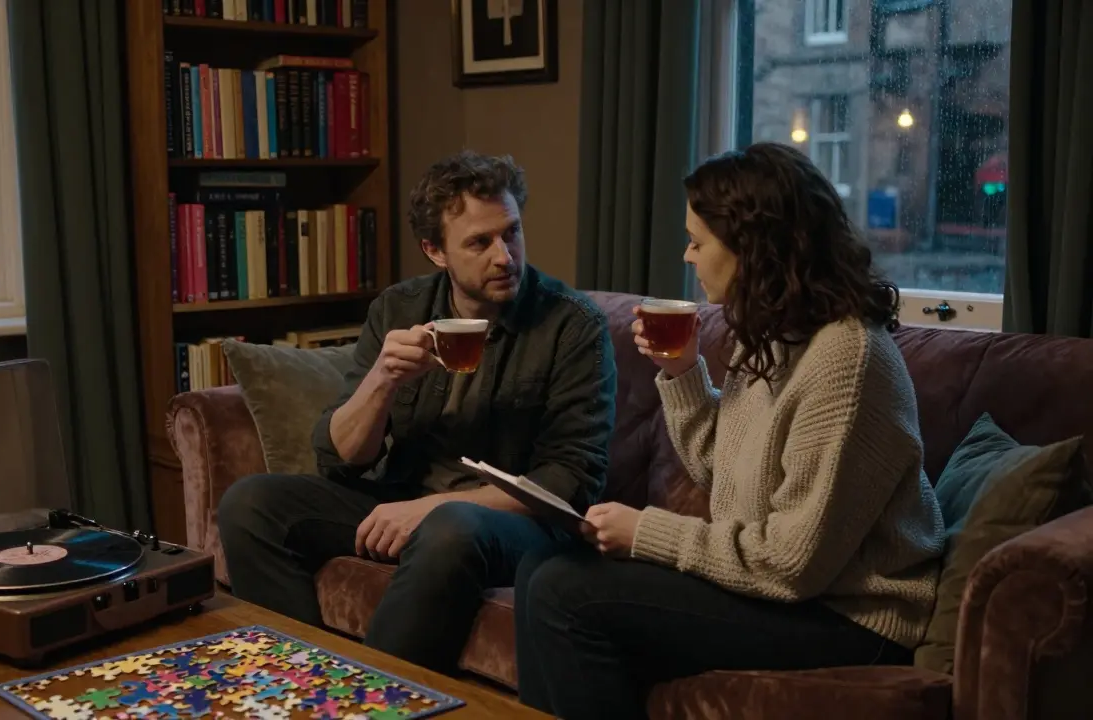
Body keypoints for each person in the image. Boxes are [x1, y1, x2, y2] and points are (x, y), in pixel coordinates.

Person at [513, 142, 947, 719]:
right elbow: (724, 470)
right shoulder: (771, 333)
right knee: (539, 566)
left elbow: (792, 565)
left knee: (565, 594)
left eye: (698, 242)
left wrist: (648, 533)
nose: (687, 256)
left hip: (851, 616)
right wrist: (682, 371)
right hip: (792, 592)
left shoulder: (847, 359)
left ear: (753, 249)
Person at [215, 149, 618, 674]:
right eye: (480, 242)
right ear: (435, 251)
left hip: (511, 525)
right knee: (251, 503)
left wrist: (428, 510)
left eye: (511, 232)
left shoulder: (572, 326)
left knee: (451, 526)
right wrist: (382, 380)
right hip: (399, 496)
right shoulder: (398, 309)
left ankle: (373, 700)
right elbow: (339, 459)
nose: (505, 256)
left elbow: (569, 484)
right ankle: (301, 679)